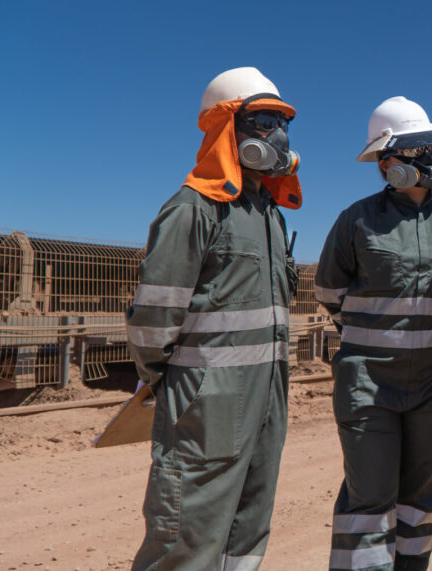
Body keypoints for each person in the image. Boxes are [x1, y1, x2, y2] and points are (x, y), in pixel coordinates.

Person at [126, 66, 303, 569]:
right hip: (206, 409)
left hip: (266, 403)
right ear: (229, 129)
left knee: (246, 537)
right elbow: (152, 325)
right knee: (186, 542)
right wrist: (183, 388)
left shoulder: (269, 214)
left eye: (282, 121)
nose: (279, 135)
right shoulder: (194, 208)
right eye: (264, 121)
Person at [314, 96, 432, 571]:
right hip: (368, 384)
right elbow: (330, 291)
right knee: (368, 499)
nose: (422, 158)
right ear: (387, 163)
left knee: (425, 497)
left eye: (425, 148)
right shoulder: (356, 220)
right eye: (400, 153)